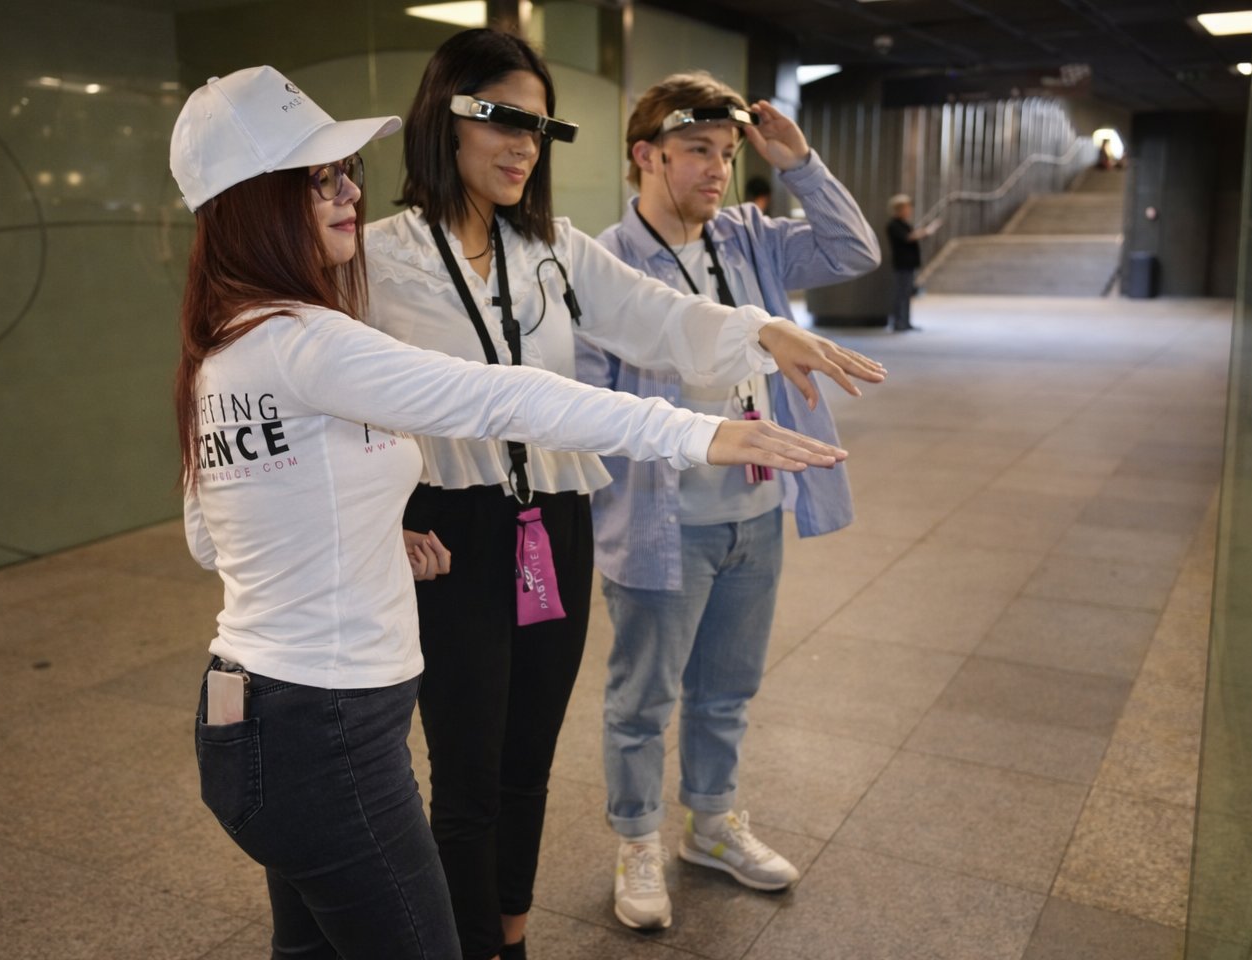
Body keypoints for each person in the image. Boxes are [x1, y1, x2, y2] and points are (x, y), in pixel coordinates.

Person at [172, 65, 849, 960]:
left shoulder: (225, 344)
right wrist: (699, 433)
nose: (345, 192)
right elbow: (501, 397)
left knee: (338, 923)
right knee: (441, 857)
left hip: (268, 705)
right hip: (332, 713)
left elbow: (212, 528)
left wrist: (363, 530)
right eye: (319, 178)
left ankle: (510, 935)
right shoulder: (322, 323)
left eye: (346, 174)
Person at [361, 29, 886, 960]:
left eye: (540, 127)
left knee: (527, 762)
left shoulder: (553, 250)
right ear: (446, 117)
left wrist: (764, 332)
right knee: (468, 772)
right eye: (504, 119)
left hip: (552, 521)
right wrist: (380, 517)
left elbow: (659, 316)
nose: (525, 146)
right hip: (448, 529)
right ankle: (469, 943)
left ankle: (512, 936)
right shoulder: (376, 259)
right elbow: (336, 403)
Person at [578, 71, 879, 931]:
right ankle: (638, 839)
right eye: (698, 151)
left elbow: (854, 252)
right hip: (660, 523)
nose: (718, 168)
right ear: (646, 155)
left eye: (726, 152)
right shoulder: (606, 263)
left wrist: (801, 164)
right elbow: (586, 405)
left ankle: (710, 825)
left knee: (727, 690)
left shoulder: (748, 237)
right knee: (643, 699)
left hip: (753, 512)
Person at [886, 193, 937, 332]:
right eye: (907, 208)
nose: (909, 210)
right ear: (899, 209)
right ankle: (898, 322)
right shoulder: (894, 225)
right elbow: (907, 238)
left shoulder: (904, 224)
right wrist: (926, 231)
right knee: (901, 294)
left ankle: (906, 322)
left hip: (909, 264)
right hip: (902, 264)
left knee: (907, 294)